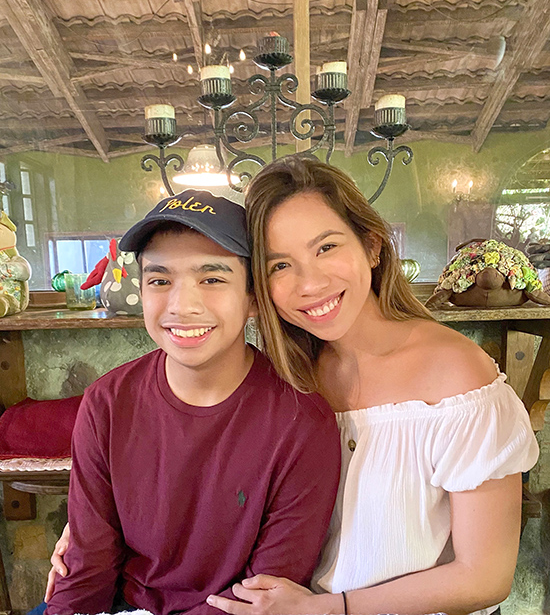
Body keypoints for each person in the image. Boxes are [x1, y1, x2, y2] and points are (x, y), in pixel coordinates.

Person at [204, 156, 539, 615]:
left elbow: (484, 577)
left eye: (326, 247)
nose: (310, 283)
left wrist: (329, 608)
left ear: (373, 245)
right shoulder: (287, 378)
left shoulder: (458, 376)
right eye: (280, 265)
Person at [44, 187, 341, 615]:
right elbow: (87, 567)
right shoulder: (106, 403)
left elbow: (268, 591)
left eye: (212, 279)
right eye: (160, 280)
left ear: (253, 298)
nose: (182, 306)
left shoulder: (302, 421)